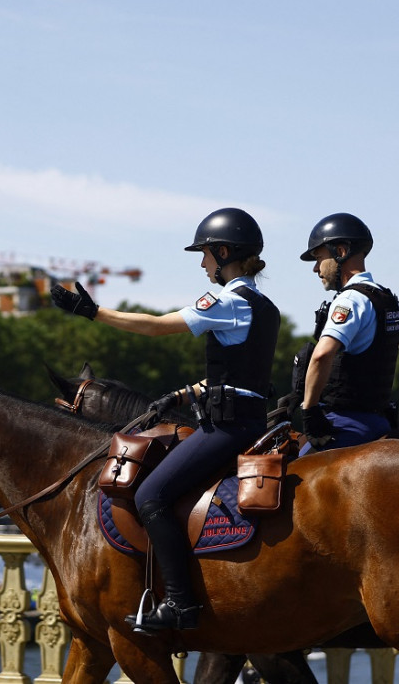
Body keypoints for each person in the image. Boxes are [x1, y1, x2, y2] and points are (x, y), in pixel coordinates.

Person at [51, 207, 280, 633]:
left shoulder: (226, 300)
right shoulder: (263, 306)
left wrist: (94, 312)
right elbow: (237, 374)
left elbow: (156, 327)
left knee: (151, 495)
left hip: (226, 427)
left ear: (224, 252)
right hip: (248, 419)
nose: (202, 264)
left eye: (206, 254)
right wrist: (187, 391)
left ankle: (180, 603)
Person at [294, 213, 399, 454]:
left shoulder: (351, 299)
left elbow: (322, 355)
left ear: (341, 251)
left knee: (291, 479)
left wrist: (310, 411)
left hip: (349, 422)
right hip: (380, 421)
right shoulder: (384, 297)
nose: (315, 268)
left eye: (319, 258)